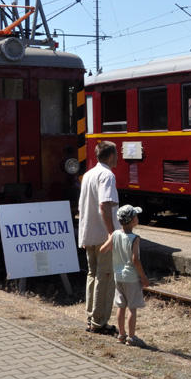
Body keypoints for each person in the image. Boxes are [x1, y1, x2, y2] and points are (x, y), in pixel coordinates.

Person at [77, 141, 121, 335]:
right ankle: (99, 322)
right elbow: (104, 205)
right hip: (103, 236)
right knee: (105, 277)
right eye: (117, 154)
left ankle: (91, 317)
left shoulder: (88, 175)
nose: (118, 157)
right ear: (110, 156)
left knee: (92, 275)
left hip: (89, 233)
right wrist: (111, 233)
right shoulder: (107, 175)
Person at [100, 204, 150, 346]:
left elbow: (103, 250)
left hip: (118, 276)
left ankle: (121, 335)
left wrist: (115, 249)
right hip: (131, 278)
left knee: (121, 306)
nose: (137, 218)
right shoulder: (135, 238)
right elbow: (135, 260)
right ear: (133, 220)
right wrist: (143, 277)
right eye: (136, 216)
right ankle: (131, 337)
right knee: (132, 308)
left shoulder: (115, 234)